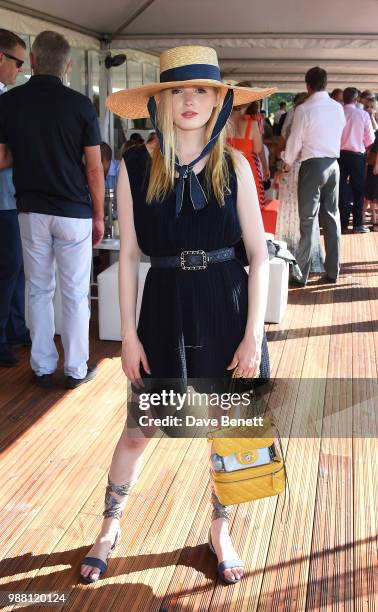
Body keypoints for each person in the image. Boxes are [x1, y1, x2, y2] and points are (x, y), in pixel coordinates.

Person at [80, 45, 274, 586]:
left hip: (226, 306)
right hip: (163, 308)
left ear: (218, 100)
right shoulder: (136, 165)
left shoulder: (232, 163)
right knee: (141, 428)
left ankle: (220, 528)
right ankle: (109, 524)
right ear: (159, 101)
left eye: (202, 90)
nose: (190, 100)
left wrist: (253, 333)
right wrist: (129, 336)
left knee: (224, 430)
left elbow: (259, 255)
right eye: (178, 91)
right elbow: (128, 258)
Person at [0, 31, 104, 388]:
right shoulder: (80, 105)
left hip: (30, 210)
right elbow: (94, 168)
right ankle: (76, 369)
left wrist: (29, 151)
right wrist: (100, 214)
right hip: (73, 211)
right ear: (68, 65)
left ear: (32, 60)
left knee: (38, 290)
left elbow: (1, 158)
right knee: (74, 293)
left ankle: (43, 367)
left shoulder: (9, 102)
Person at [282, 66, 346, 286]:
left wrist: (287, 161)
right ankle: (333, 270)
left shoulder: (304, 109)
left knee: (308, 221)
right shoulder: (338, 108)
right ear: (325, 83)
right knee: (332, 217)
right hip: (334, 165)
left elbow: (295, 141)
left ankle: (302, 274)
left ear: (307, 85)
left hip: (312, 165)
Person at [0, 29, 30, 367]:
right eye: (17, 61)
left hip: (13, 198)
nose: (20, 69)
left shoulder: (7, 97)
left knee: (17, 268)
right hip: (4, 201)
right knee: (8, 269)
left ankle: (16, 327)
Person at [276, 93, 324, 274]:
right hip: (306, 169)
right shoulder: (313, 120)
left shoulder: (294, 118)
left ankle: (289, 253)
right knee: (307, 212)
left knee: (290, 210)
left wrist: (282, 166)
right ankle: (309, 256)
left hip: (293, 169)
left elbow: (287, 145)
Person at [339, 87, 375, 233]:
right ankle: (357, 224)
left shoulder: (337, 113)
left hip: (339, 155)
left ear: (344, 99)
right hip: (356, 156)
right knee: (358, 189)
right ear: (356, 100)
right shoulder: (363, 115)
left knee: (341, 189)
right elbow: (370, 140)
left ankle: (342, 224)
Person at [228, 92, 266, 208]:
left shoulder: (223, 123)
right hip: (247, 170)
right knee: (250, 208)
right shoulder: (252, 124)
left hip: (226, 169)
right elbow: (258, 148)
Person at [364, 131, 378, 231]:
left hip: (373, 166)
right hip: (374, 167)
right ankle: (374, 220)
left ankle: (372, 219)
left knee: (371, 193)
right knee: (372, 193)